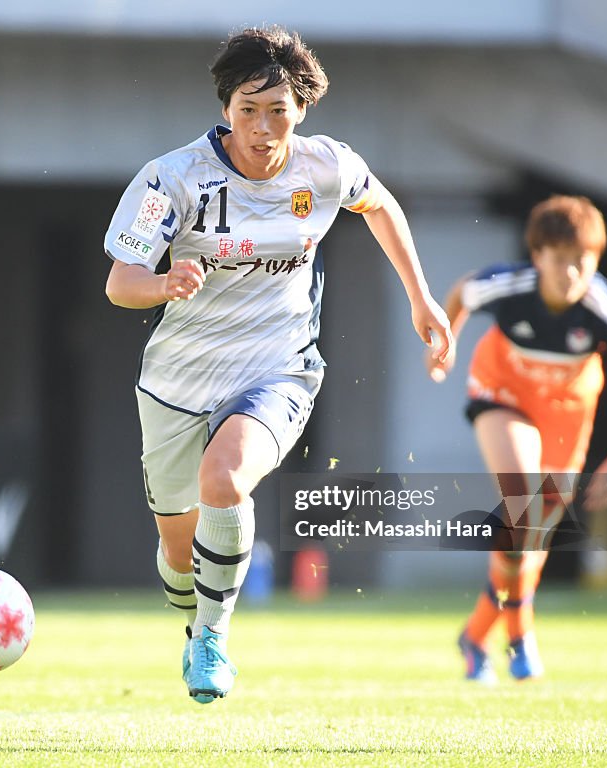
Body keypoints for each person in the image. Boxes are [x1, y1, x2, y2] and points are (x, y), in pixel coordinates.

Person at [103, 26, 453, 703]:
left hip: (278, 369)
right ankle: (194, 623)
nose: (262, 128)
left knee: (226, 478)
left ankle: (213, 639)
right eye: (248, 110)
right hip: (176, 382)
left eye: (277, 111)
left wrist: (421, 297)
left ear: (302, 109)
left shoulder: (325, 166)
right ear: (225, 108)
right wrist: (166, 282)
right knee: (178, 551)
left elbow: (379, 204)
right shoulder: (170, 179)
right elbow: (121, 283)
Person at [427, 194, 607, 682]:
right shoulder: (509, 285)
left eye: (582, 261)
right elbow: (462, 293)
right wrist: (446, 343)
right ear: (537, 256)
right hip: (503, 392)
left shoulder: (606, 307)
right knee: (522, 505)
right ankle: (520, 635)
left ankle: (474, 637)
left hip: (568, 410)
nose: (571, 272)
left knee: (531, 538)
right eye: (559, 259)